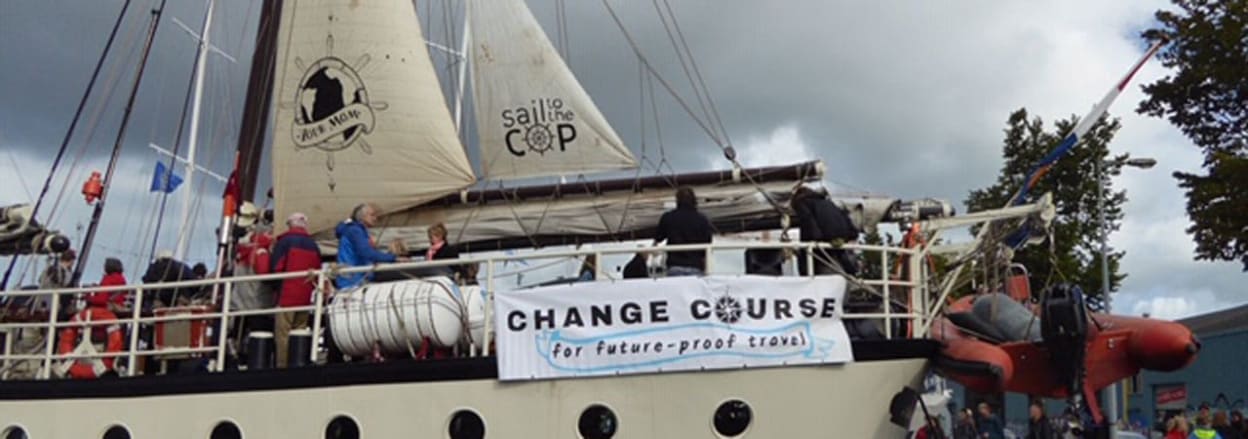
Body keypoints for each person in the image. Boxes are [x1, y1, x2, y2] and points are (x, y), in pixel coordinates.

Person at [270, 212, 322, 368]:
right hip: (305, 297)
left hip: (286, 296)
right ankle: (298, 363)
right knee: (299, 332)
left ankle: (282, 366)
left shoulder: (284, 242)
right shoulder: (314, 245)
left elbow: (276, 268)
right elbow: (317, 271)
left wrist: (274, 289)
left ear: (290, 225)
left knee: (283, 334)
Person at [791, 186, 860, 275]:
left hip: (823, 246)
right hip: (839, 243)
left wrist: (810, 244)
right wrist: (845, 238)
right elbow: (850, 226)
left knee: (810, 267)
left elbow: (808, 223)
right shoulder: (829, 202)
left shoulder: (801, 202)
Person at [335, 203, 404, 289]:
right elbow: (366, 252)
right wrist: (393, 258)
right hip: (353, 282)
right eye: (372, 215)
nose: (375, 218)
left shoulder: (353, 230)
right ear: (362, 216)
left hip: (352, 279)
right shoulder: (355, 231)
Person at [653, 187, 713, 276]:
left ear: (677, 200)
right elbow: (707, 243)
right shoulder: (702, 220)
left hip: (674, 266)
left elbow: (658, 237)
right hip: (695, 266)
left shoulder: (668, 217)